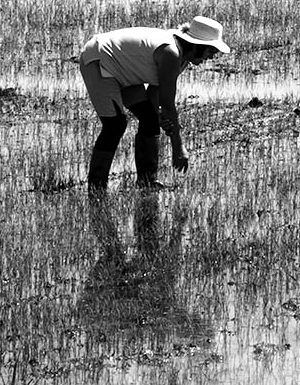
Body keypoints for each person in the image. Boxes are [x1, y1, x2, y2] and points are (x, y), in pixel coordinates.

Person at [78, 16, 230, 257]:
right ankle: (96, 189)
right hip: (100, 60)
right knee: (115, 125)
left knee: (149, 120)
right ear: (197, 46)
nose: (211, 57)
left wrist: (158, 117)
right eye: (210, 51)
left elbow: (155, 96)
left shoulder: (180, 58)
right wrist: (179, 148)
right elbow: (168, 104)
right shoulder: (171, 53)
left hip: (125, 72)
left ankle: (147, 182)